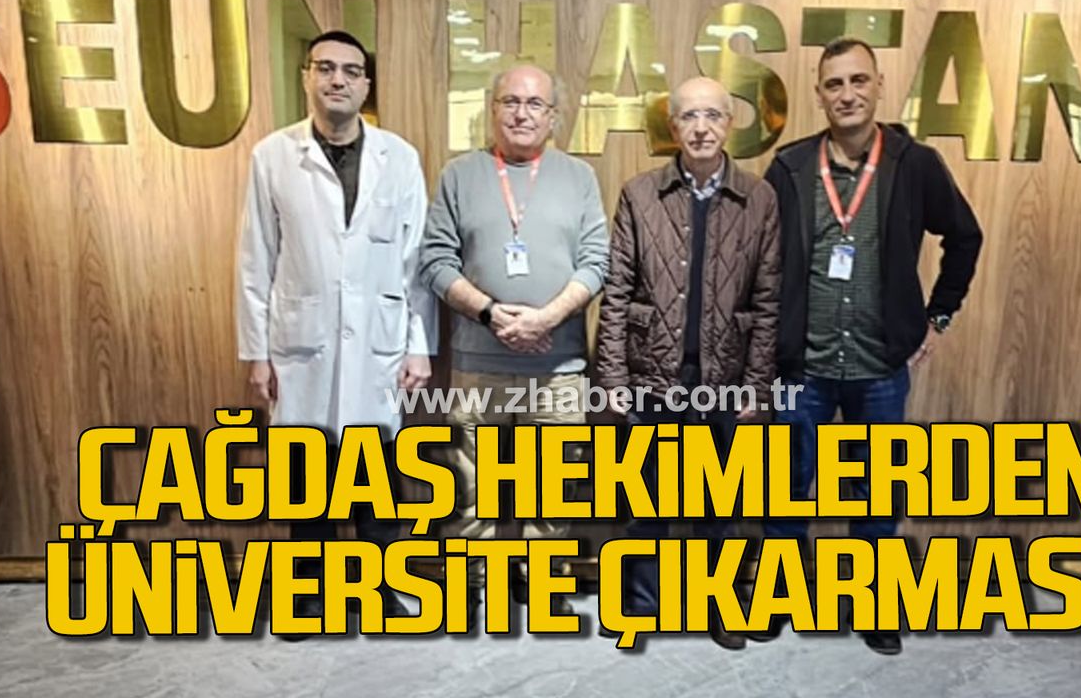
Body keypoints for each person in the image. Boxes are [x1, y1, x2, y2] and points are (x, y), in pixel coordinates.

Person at [759, 37, 983, 655]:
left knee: (878, 492)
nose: (848, 94)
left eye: (859, 80)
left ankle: (875, 606)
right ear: (819, 94)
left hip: (879, 365)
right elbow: (762, 260)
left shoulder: (915, 165)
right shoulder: (790, 168)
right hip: (802, 367)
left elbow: (965, 237)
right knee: (786, 488)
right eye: (834, 84)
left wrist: (938, 317)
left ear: (880, 85)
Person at [236, 30, 436, 636]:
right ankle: (306, 596)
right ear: (307, 77)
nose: (338, 80)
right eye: (325, 68)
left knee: (375, 481)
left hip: (378, 345)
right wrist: (256, 352)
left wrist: (419, 346)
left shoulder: (399, 158)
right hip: (300, 347)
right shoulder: (273, 155)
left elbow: (416, 261)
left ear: (367, 84)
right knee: (305, 482)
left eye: (351, 70)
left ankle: (379, 592)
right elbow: (255, 259)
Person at [420, 64, 609, 626]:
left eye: (535, 104)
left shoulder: (579, 177)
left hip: (560, 364)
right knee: (468, 483)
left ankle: (542, 577)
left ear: (554, 117)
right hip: (478, 362)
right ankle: (471, 581)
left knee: (553, 482)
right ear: (493, 108)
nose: (522, 114)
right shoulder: (460, 175)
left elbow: (597, 261)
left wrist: (546, 317)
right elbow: (435, 260)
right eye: (511, 102)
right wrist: (489, 311)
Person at [595, 77, 780, 650]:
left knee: (718, 506)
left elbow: (768, 301)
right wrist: (613, 379)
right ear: (672, 127)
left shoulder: (759, 198)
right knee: (646, 502)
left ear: (730, 123)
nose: (701, 128)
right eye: (689, 117)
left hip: (725, 378)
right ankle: (640, 606)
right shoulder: (640, 193)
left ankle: (717, 604)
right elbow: (616, 291)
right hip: (651, 376)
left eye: (712, 115)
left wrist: (757, 387)